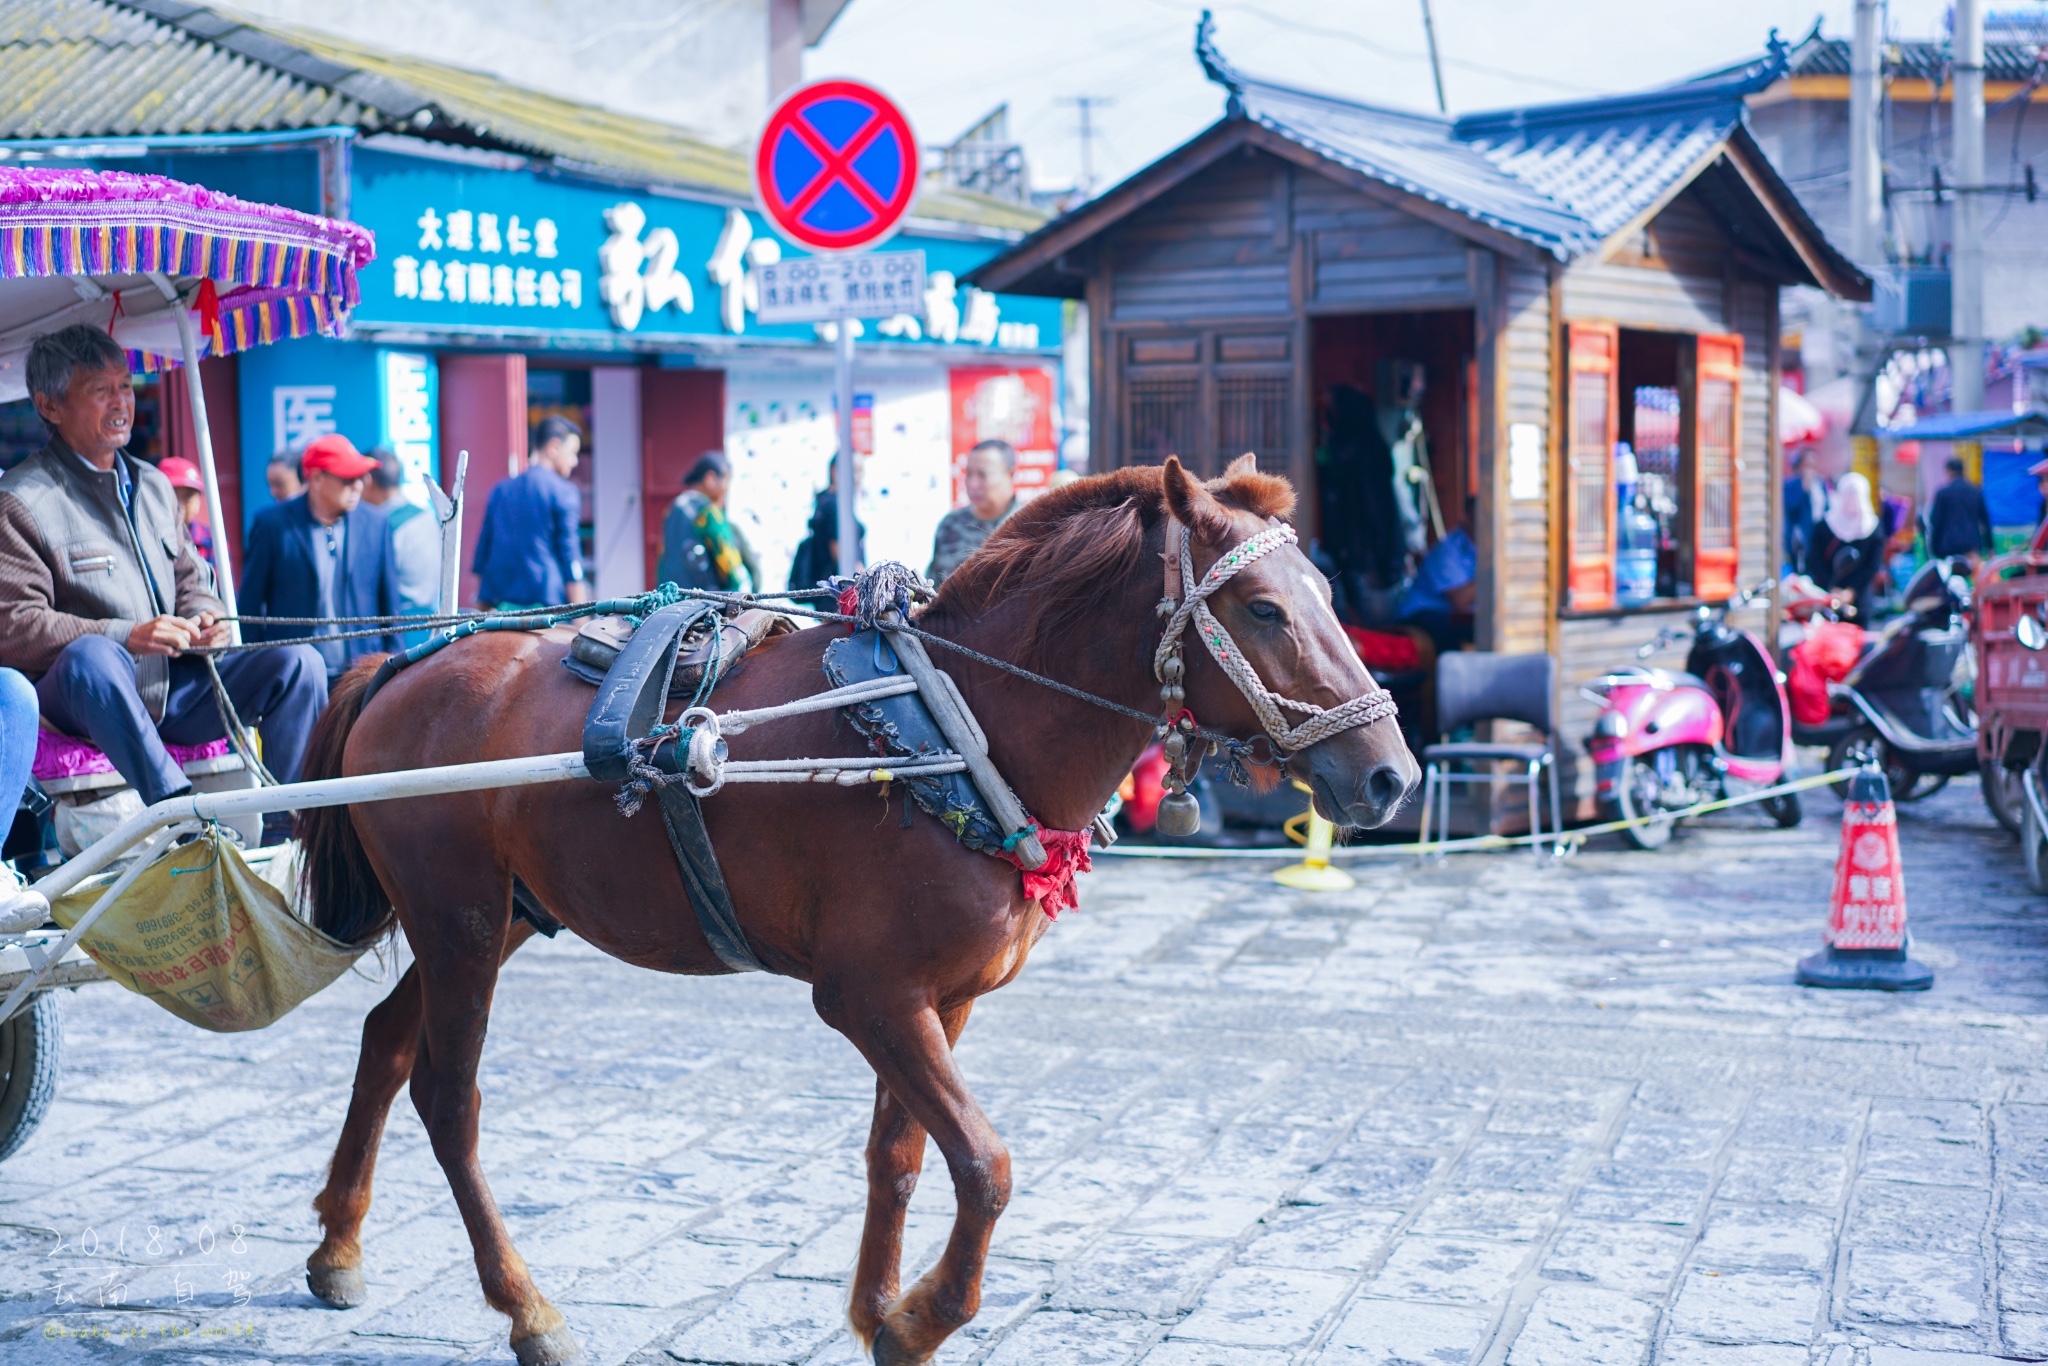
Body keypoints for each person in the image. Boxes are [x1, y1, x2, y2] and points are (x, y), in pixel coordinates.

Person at [0, 324, 323, 836]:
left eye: (125, 386)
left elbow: (190, 579)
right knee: (95, 655)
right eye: (99, 390)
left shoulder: (152, 485)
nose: (120, 402)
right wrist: (126, 634)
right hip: (82, 703)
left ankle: (299, 832)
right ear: (49, 405)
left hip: (174, 690)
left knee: (299, 663)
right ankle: (179, 813)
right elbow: (15, 627)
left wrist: (206, 616)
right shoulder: (22, 499)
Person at [239, 434, 401, 683]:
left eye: (361, 476)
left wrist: (395, 672)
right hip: (293, 678)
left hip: (363, 679)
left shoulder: (376, 524)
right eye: (348, 478)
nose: (359, 485)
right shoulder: (272, 525)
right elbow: (249, 609)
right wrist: (253, 674)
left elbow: (390, 609)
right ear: (315, 478)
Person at [472, 415, 587, 610]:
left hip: (500, 605)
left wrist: (480, 608)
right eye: (572, 452)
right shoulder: (564, 491)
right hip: (546, 605)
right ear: (554, 447)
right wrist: (583, 616)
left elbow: (482, 552)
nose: (575, 461)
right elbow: (570, 555)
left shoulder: (501, 489)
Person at [361, 448, 443, 625]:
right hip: (433, 623)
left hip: (397, 625)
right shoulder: (427, 515)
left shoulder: (383, 524)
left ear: (367, 482)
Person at [657, 451, 751, 592]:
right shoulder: (708, 512)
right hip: (704, 602)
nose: (726, 490)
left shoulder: (671, 510)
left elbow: (663, 559)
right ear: (710, 478)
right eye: (726, 482)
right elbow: (728, 561)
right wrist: (735, 590)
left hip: (671, 598)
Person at [928, 439, 1021, 583]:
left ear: (1010, 475)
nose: (973, 484)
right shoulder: (950, 525)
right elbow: (932, 590)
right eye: (969, 474)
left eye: (983, 475)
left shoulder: (1027, 527)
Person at [1807, 470, 1886, 621]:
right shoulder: (1825, 525)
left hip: (1859, 603)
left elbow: (1872, 565)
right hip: (1827, 601)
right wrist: (1831, 589)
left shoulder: (1872, 527)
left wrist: (1852, 591)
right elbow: (1814, 560)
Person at [1397, 522, 1477, 653]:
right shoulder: (1447, 549)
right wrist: (1492, 573)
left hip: (1451, 617)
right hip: (1419, 615)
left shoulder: (1483, 549)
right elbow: (1460, 599)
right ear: (1467, 515)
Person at [789, 457, 865, 592]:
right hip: (840, 590)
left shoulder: (827, 501)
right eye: (854, 471)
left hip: (835, 588)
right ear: (835, 471)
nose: (857, 477)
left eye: (860, 471)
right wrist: (862, 576)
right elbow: (838, 550)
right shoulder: (833, 504)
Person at [1926, 455, 1992, 562]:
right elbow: (1985, 520)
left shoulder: (1942, 493)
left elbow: (1935, 522)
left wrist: (1934, 550)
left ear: (1949, 471)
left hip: (1947, 548)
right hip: (1971, 547)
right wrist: (1990, 547)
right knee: (1971, 577)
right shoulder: (1975, 491)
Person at [158, 455, 213, 564]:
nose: (179, 504)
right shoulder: (147, 537)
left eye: (187, 496)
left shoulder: (211, 540)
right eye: (172, 495)